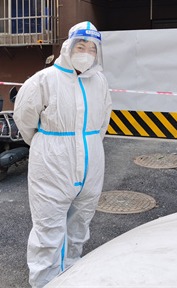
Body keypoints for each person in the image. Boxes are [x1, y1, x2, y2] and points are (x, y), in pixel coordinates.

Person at [14, 21, 113, 288]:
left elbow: (103, 119)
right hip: (53, 161)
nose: (87, 53)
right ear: (68, 47)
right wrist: (46, 143)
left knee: (80, 224)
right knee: (48, 226)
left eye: (92, 48)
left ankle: (71, 274)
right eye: (81, 46)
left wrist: (89, 143)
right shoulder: (44, 80)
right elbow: (25, 119)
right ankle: (45, 281)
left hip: (91, 161)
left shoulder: (99, 81)